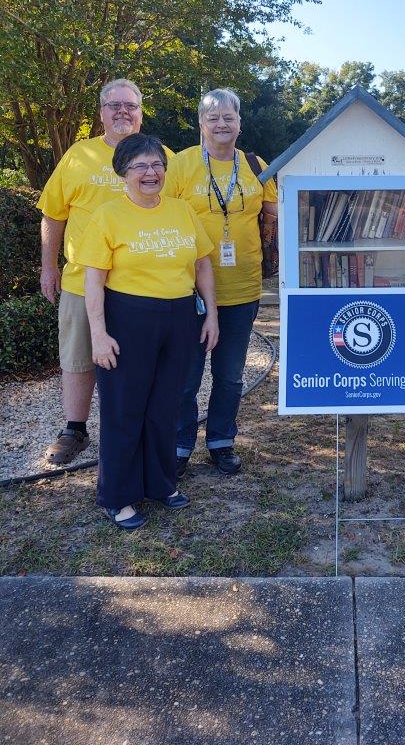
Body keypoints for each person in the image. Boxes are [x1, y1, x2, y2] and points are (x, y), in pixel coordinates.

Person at [74, 133, 218, 529]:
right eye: (140, 166)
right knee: (124, 409)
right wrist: (99, 335)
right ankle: (118, 496)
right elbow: (93, 282)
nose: (150, 172)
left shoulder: (182, 210)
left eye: (156, 164)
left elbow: (203, 264)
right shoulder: (107, 216)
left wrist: (212, 315)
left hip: (179, 318)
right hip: (127, 318)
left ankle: (162, 483)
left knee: (165, 406)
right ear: (123, 172)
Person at [37, 79, 170, 465]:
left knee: (140, 362)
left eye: (130, 105)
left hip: (143, 286)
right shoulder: (78, 156)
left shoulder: (163, 157)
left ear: (141, 112)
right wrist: (48, 266)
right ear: (101, 113)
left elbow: (182, 213)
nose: (122, 112)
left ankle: (138, 428)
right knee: (79, 358)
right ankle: (74, 429)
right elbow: (53, 213)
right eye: (114, 105)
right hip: (82, 281)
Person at [165, 88, 278, 476]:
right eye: (212, 118)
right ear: (201, 123)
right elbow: (160, 215)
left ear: (240, 122)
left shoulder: (254, 163)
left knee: (229, 375)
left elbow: (274, 211)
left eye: (228, 117)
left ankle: (221, 440)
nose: (221, 124)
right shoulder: (179, 166)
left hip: (243, 287)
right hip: (189, 290)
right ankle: (180, 444)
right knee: (185, 376)